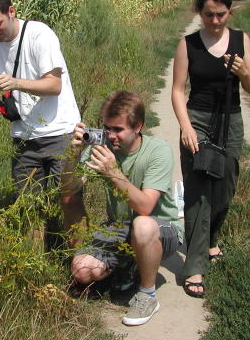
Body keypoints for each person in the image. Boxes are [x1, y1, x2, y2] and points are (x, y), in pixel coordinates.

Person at [0, 0, 84, 247]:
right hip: (24, 136)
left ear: (12, 12)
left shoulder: (40, 34)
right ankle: (34, 261)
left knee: (69, 200)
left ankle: (82, 260)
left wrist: (16, 83)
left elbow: (54, 85)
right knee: (28, 206)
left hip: (60, 131)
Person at [66, 90, 182, 327]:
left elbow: (146, 207)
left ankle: (147, 295)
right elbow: (70, 190)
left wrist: (113, 172)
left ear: (138, 126)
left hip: (160, 229)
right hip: (120, 227)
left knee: (142, 224)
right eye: (106, 128)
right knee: (81, 270)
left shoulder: (158, 150)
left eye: (118, 129)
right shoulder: (102, 147)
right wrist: (73, 156)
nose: (111, 136)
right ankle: (128, 265)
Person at [171, 0, 250, 298]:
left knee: (224, 187)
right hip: (197, 119)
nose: (215, 21)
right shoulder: (189, 44)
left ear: (230, 11)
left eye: (221, 14)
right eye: (209, 14)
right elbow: (177, 90)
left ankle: (209, 238)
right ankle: (194, 267)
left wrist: (243, 71)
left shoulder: (241, 40)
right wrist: (186, 126)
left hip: (230, 121)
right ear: (199, 12)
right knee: (198, 192)